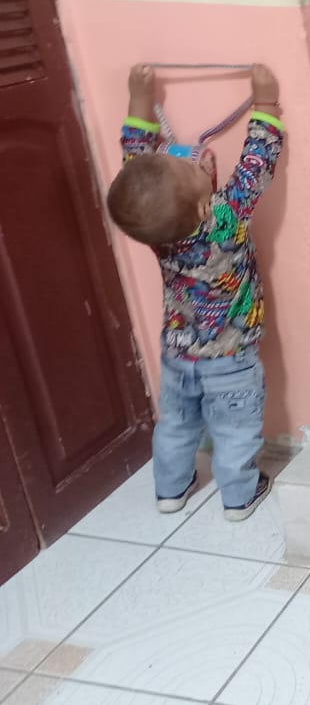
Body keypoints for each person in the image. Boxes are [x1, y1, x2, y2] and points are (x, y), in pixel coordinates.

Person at [107, 63, 283, 520]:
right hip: (232, 359)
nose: (188, 160)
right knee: (235, 430)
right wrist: (265, 101)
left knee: (176, 425)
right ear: (207, 205)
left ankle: (170, 490)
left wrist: (139, 101)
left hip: (177, 355)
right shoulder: (227, 216)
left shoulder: (155, 232)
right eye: (188, 169)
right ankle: (239, 496)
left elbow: (137, 170)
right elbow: (256, 165)